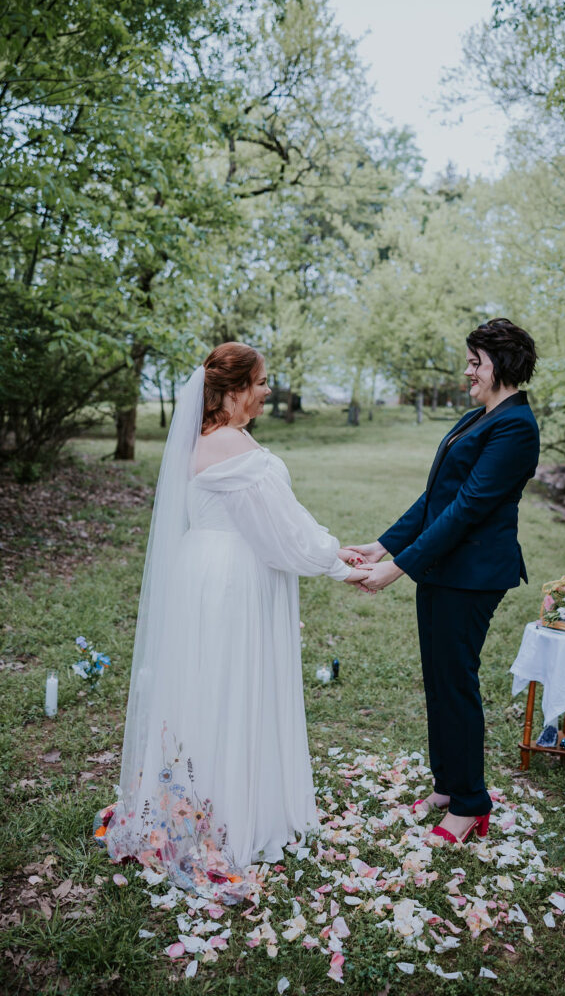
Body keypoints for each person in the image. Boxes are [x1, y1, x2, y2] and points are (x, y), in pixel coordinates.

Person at [98, 343, 367, 899]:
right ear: (232, 388)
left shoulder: (217, 440)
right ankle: (229, 812)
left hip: (206, 571)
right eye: (262, 380)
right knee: (230, 686)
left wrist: (340, 550)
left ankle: (204, 797)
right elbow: (282, 534)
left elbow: (282, 521)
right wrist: (340, 566)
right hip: (231, 579)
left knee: (207, 687)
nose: (268, 389)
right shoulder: (228, 445)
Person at [348, 318, 539, 845]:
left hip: (474, 576)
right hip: (441, 568)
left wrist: (396, 568)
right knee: (438, 678)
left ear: (501, 364)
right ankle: (448, 785)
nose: (468, 370)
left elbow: (468, 509)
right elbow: (436, 500)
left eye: (476, 361)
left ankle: (472, 802)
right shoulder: (476, 417)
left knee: (456, 682)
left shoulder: (516, 427)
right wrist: (382, 545)